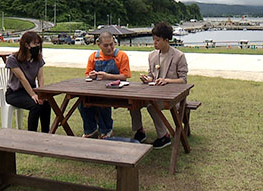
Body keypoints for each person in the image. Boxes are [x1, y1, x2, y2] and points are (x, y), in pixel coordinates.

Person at [131, 21, 188, 149]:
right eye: (153, 40)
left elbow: (183, 80)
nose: (154, 43)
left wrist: (167, 80)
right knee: (133, 103)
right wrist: (147, 78)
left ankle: (164, 136)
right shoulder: (152, 55)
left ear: (166, 40)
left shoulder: (179, 56)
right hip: (153, 93)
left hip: (173, 96)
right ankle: (139, 131)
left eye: (157, 40)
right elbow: (152, 75)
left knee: (152, 106)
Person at [80, 31, 131, 139]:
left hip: (115, 91)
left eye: (111, 44)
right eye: (106, 45)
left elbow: (125, 76)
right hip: (96, 90)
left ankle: (106, 129)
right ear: (99, 45)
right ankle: (90, 129)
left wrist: (108, 76)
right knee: (82, 102)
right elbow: (87, 75)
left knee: (102, 102)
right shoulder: (94, 57)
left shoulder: (121, 56)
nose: (109, 48)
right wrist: (92, 75)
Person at [5, 31, 51, 132]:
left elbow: (41, 77)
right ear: (26, 45)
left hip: (32, 90)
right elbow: (22, 78)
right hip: (15, 93)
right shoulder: (13, 59)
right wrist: (33, 95)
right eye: (35, 43)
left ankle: (46, 133)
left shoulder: (38, 59)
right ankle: (31, 134)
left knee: (46, 104)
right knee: (35, 105)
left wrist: (41, 93)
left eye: (39, 43)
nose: (37, 46)